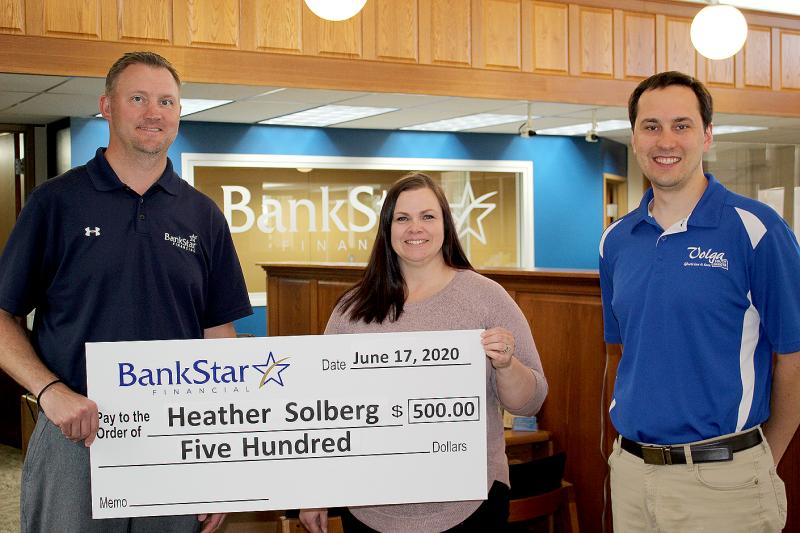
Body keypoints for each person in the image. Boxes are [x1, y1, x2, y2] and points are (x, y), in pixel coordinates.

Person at [0, 51, 252, 532]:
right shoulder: (56, 203)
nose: (153, 112)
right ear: (107, 107)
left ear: (178, 113)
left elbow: (218, 332)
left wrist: (219, 461)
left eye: (166, 101)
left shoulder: (204, 216)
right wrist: (50, 392)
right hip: (76, 433)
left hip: (173, 436)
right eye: (138, 98)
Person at [599, 71, 800, 532]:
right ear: (633, 136)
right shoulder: (615, 241)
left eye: (681, 125)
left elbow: (793, 356)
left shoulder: (757, 230)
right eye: (651, 126)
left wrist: (762, 459)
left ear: (707, 135)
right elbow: (623, 350)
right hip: (631, 474)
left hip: (725, 483)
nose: (665, 140)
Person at [299, 172, 548, 533]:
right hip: (370, 509)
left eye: (427, 216)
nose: (415, 228)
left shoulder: (487, 297)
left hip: (469, 506)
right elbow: (324, 408)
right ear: (387, 229)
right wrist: (315, 490)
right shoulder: (351, 309)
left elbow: (530, 402)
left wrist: (507, 365)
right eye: (403, 218)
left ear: (445, 224)